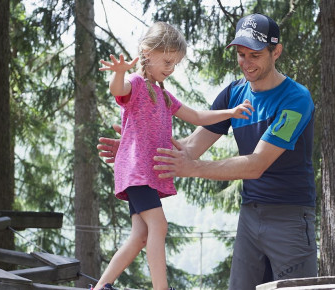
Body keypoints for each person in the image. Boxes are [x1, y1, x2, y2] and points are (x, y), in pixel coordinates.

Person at [98, 14, 317, 290]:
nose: (246, 63)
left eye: (255, 55)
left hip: (290, 217)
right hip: (249, 216)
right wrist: (136, 149)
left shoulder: (296, 99)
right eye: (241, 54)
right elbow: (191, 147)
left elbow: (257, 165)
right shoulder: (234, 94)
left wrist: (194, 168)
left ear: (276, 52)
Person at [93, 22, 253, 290]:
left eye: (175, 64)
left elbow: (197, 116)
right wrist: (119, 73)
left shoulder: (164, 95)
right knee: (159, 225)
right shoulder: (136, 84)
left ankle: (100, 287)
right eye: (167, 61)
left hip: (145, 172)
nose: (170, 68)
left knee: (140, 235)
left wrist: (230, 112)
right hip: (136, 171)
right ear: (147, 53)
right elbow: (118, 90)